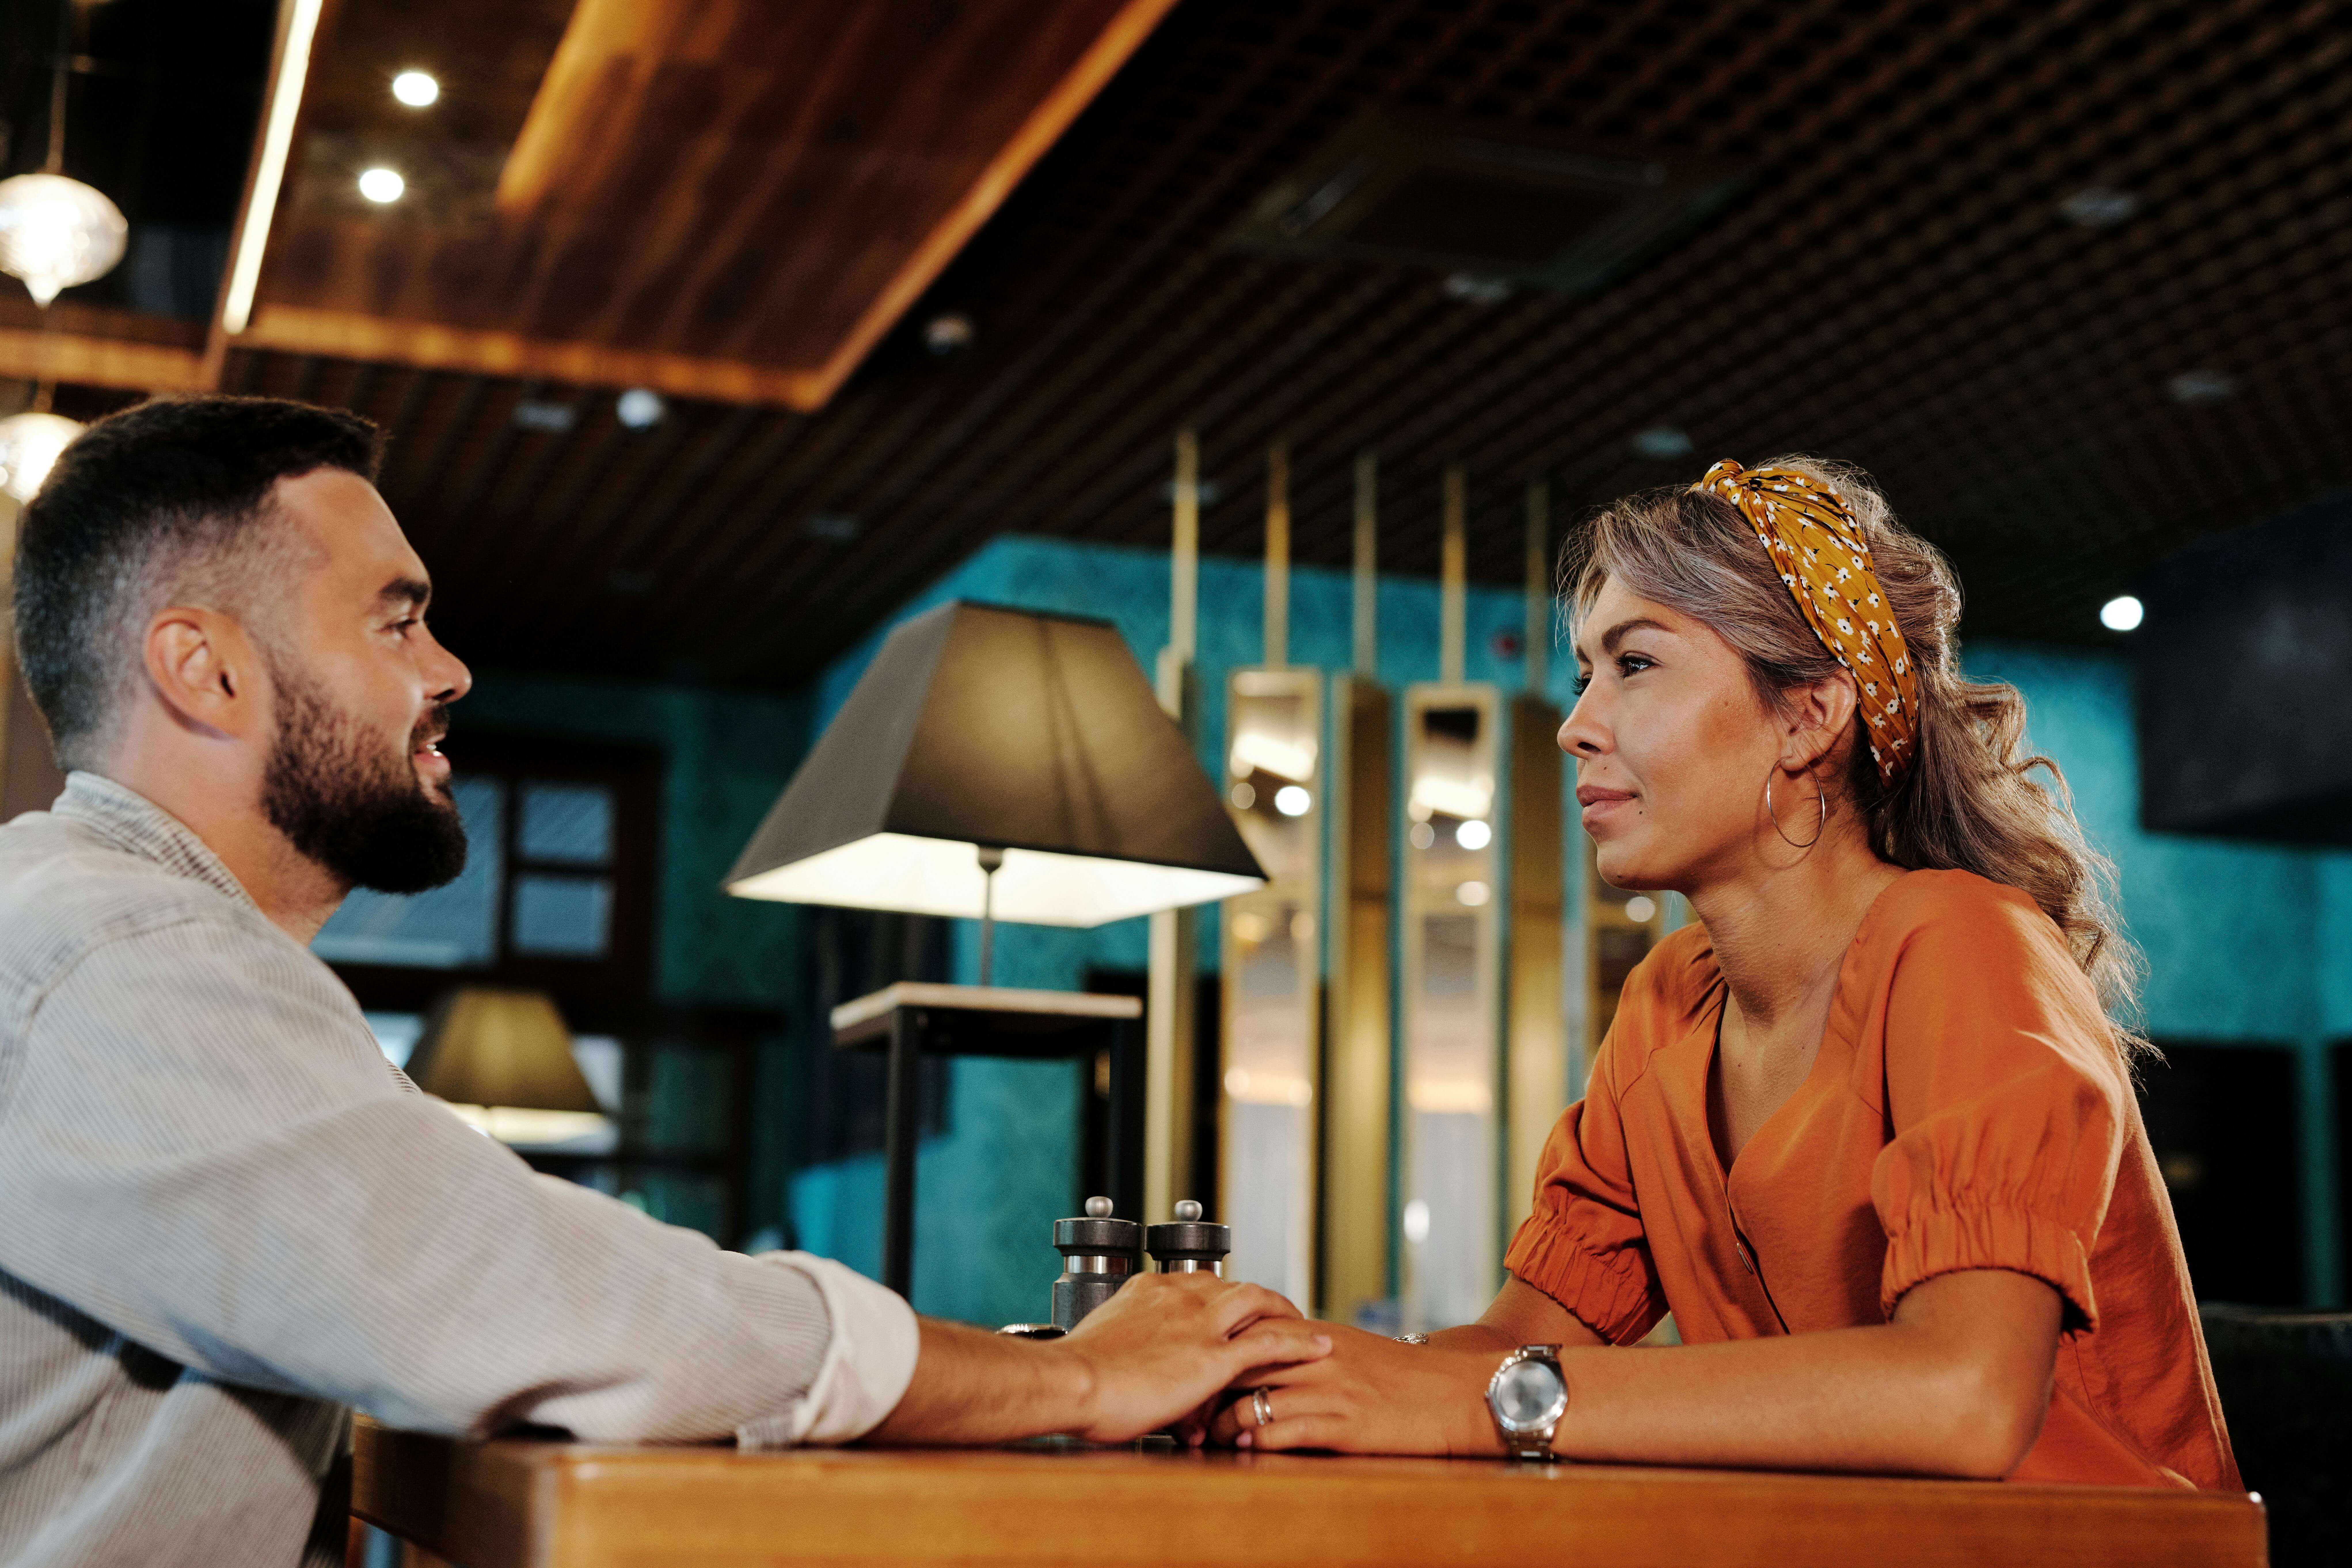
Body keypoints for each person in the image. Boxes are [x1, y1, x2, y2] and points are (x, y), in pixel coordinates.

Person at [0, 395, 1328, 1567]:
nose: (450, 670)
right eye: (397, 620)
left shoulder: (111, 939)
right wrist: (1082, 1378)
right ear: (205, 668)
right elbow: (504, 1294)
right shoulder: (117, 957)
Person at [1212, 457, 2237, 1489]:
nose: (1576, 725)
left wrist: (1490, 1403)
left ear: (1809, 718)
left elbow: (1960, 1398)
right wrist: (1260, 1372)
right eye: (1583, 674)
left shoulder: (1964, 943)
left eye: (1636, 665)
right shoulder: (1667, 1002)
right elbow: (1505, 1346)